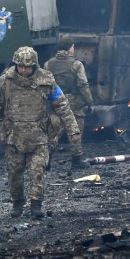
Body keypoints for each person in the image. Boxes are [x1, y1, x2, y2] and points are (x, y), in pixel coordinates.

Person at [0, 46, 80, 219]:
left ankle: (36, 204)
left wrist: (73, 129)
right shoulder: (6, 79)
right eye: (20, 66)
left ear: (34, 65)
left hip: (39, 135)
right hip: (14, 135)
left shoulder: (46, 79)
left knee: (37, 171)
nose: (23, 70)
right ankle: (17, 202)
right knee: (14, 173)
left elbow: (62, 105)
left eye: (27, 66)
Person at [43, 38, 94, 170]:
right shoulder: (76, 65)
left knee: (55, 131)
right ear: (70, 48)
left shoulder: (48, 64)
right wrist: (90, 103)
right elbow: (82, 85)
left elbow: (44, 84)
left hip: (55, 102)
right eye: (72, 46)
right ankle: (76, 160)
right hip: (74, 102)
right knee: (75, 130)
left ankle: (46, 160)